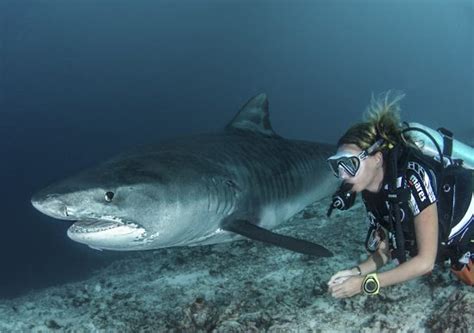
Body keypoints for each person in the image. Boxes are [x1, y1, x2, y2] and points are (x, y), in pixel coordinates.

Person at [326, 91, 473, 298]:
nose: (342, 175)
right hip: (459, 247)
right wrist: (355, 272)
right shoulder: (370, 193)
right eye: (336, 166)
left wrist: (365, 284)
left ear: (377, 158)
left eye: (349, 164)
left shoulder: (414, 178)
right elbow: (384, 252)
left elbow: (425, 262)